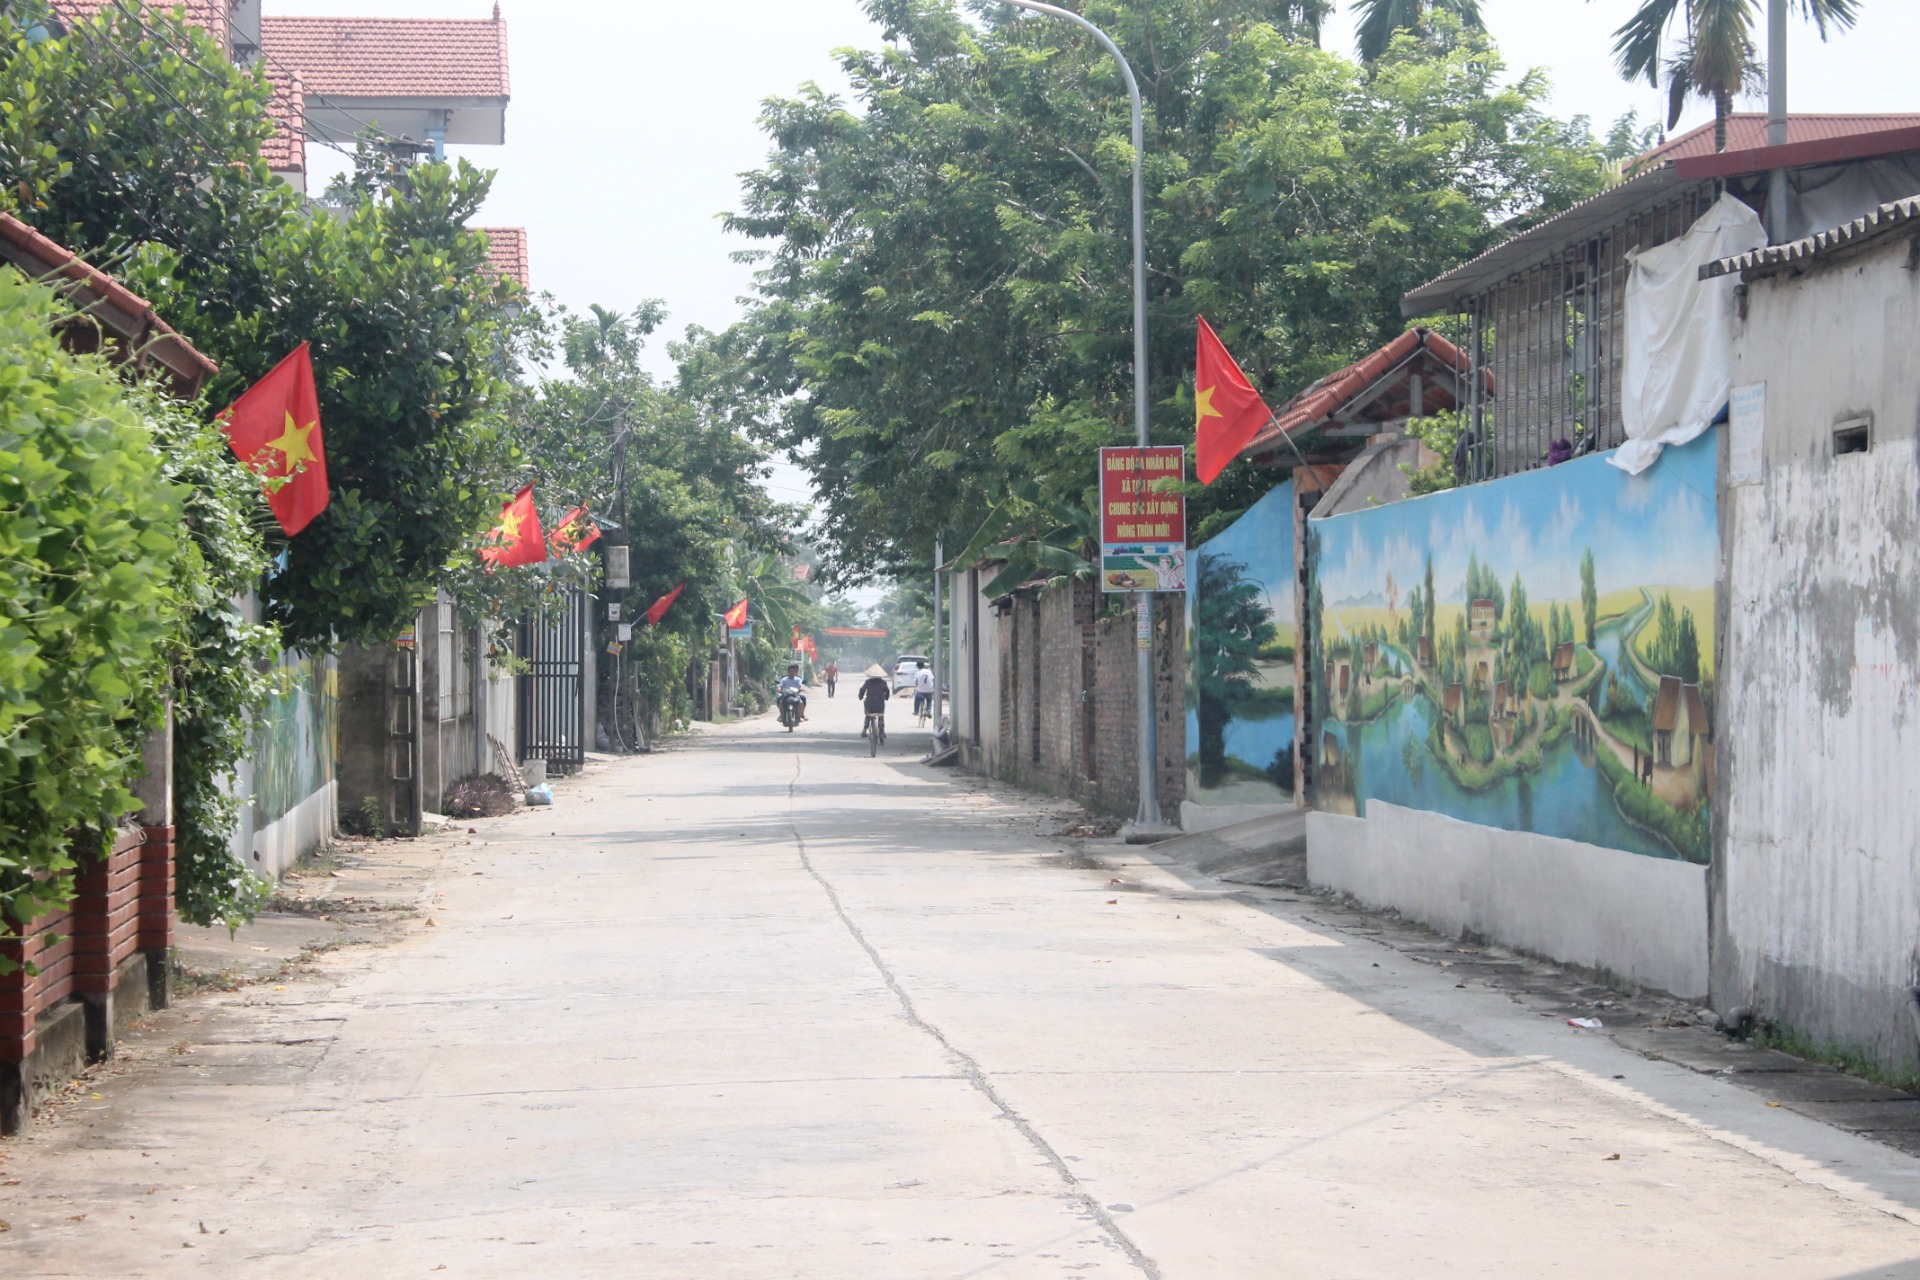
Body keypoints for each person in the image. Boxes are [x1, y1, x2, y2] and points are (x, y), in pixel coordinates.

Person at [857, 663, 890, 738]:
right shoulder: (883, 682)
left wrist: (860, 697)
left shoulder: (868, 682)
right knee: (881, 717)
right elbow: (887, 691)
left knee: (868, 715)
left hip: (870, 704)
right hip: (880, 704)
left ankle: (864, 730)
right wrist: (886, 697)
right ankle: (882, 731)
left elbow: (862, 690)